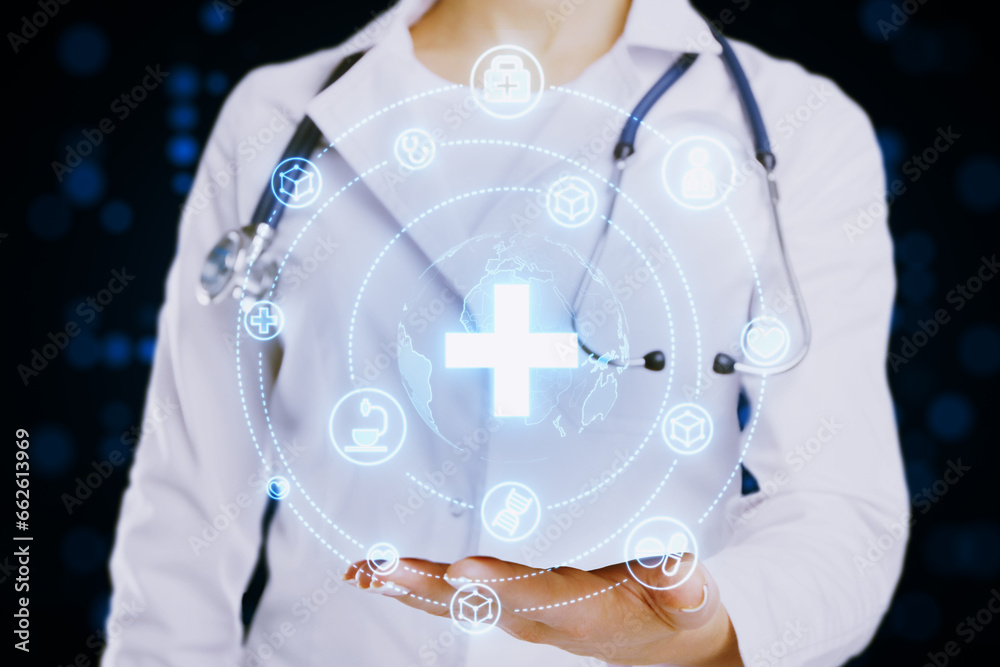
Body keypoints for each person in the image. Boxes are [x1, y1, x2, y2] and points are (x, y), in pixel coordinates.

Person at [104, 0, 909, 665]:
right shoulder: (278, 115)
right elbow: (189, 501)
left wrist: (709, 634)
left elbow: (839, 510)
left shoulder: (794, 127)